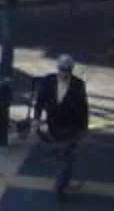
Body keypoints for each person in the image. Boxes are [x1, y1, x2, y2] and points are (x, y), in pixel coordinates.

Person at [32, 56, 91, 197]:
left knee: (68, 157)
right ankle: (64, 181)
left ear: (71, 69)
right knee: (62, 155)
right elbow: (40, 101)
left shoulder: (78, 84)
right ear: (58, 68)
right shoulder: (48, 81)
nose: (64, 72)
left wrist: (84, 128)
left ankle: (61, 185)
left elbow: (83, 108)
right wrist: (36, 119)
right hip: (53, 124)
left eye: (67, 69)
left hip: (71, 126)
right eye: (62, 69)